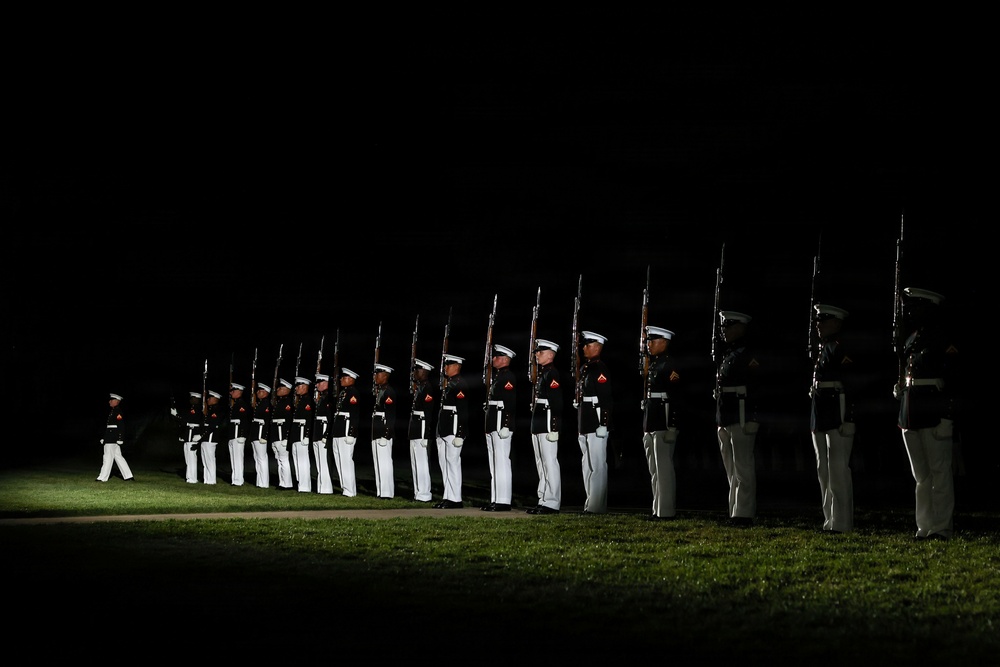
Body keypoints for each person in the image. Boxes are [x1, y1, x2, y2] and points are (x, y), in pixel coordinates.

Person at [894, 287, 960, 541]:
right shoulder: (912, 338)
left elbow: (952, 379)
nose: (911, 311)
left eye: (917, 306)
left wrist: (947, 416)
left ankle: (942, 527)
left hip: (933, 411)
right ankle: (925, 525)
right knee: (921, 475)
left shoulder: (942, 338)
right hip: (911, 411)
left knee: (940, 472)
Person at [810, 304, 857, 533]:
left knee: (838, 470)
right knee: (824, 471)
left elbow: (852, 386)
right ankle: (829, 520)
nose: (819, 324)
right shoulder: (824, 347)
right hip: (822, 411)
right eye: (819, 320)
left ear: (837, 322)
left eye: (824, 320)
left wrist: (849, 418)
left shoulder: (841, 347)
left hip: (836, 412)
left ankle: (842, 522)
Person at [715, 310, 762, 527]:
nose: (724, 331)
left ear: (741, 328)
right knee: (732, 468)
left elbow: (755, 387)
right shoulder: (729, 354)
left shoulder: (747, 354)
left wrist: (753, 417)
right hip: (727, 414)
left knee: (743, 465)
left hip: (742, 414)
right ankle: (735, 510)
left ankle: (744, 513)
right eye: (723, 326)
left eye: (728, 326)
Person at [642, 326, 681, 521]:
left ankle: (666, 511)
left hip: (663, 419)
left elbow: (675, 397)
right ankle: (657, 509)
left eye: (652, 341)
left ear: (664, 342)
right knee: (655, 470)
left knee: (663, 468)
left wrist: (672, 426)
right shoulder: (655, 364)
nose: (649, 344)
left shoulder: (669, 365)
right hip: (652, 419)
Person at [577, 331, 614, 514]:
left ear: (597, 347)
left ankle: (597, 506)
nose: (583, 348)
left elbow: (605, 398)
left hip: (596, 421)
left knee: (597, 465)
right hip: (585, 421)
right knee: (588, 465)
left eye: (588, 344)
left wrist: (603, 424)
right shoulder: (586, 368)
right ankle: (591, 502)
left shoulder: (600, 369)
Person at [527, 338, 563, 515]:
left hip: (547, 421)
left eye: (540, 352)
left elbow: (557, 403)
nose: (536, 355)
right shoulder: (543, 373)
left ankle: (552, 501)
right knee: (541, 463)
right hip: (539, 421)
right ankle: (543, 498)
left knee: (550, 462)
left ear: (550, 354)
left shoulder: (552, 374)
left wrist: (555, 427)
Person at [483, 343, 517, 511]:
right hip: (493, 422)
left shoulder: (508, 377)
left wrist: (505, 424)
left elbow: (510, 403)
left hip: (500, 422)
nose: (493, 359)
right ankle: (496, 498)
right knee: (494, 463)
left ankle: (503, 500)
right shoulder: (498, 376)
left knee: (502, 461)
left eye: (496, 356)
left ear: (504, 359)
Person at [435, 354, 469, 509]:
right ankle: (448, 496)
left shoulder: (460, 384)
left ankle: (455, 498)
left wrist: (460, 433)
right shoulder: (451, 384)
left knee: (453, 463)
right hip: (444, 428)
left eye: (448, 365)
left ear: (457, 366)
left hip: (453, 428)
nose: (445, 368)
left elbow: (463, 411)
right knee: (445, 463)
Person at [407, 359, 436, 502]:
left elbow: (427, 413)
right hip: (416, 429)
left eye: (417, 370)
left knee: (422, 463)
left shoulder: (428, 388)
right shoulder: (420, 388)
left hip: (422, 430)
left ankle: (425, 494)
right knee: (415, 463)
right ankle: (418, 492)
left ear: (424, 371)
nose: (414, 372)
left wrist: (425, 435)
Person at [331, 368, 361, 497]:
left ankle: (350, 490)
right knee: (339, 460)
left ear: (351, 379)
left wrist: (351, 433)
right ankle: (345, 488)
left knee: (346, 461)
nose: (341, 379)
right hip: (339, 430)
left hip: (346, 430)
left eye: (344, 377)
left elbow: (354, 415)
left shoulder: (353, 393)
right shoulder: (344, 392)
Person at [371, 363, 398, 499]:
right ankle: (381, 490)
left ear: (385, 376)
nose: (375, 376)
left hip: (383, 432)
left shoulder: (389, 392)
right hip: (377, 430)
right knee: (378, 462)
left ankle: (387, 492)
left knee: (385, 462)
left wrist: (386, 434)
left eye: (378, 374)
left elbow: (390, 415)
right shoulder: (380, 390)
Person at [96, 392, 135, 482]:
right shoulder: (113, 411)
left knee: (107, 458)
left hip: (112, 439)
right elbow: (110, 427)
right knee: (118, 457)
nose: (109, 402)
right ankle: (128, 476)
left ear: (116, 401)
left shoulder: (117, 412)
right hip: (111, 438)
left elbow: (120, 426)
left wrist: (120, 438)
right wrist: (104, 437)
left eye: (111, 400)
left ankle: (102, 477)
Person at [270, 378, 295, 490]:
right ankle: (282, 482)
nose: (278, 390)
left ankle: (287, 483)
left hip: (282, 434)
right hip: (277, 434)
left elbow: (288, 421)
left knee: (283, 459)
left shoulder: (288, 403)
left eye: (280, 388)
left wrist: (286, 437)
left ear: (287, 389)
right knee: (279, 459)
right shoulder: (279, 402)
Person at [173, 391, 203, 484]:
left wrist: (177, 416)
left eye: (192, 398)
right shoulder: (192, 409)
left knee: (191, 458)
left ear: (196, 399)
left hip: (193, 435)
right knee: (188, 458)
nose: (191, 400)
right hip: (188, 435)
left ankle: (192, 478)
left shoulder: (196, 410)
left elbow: (186, 421)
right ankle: (189, 477)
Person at [291, 377, 314, 493]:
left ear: (305, 387)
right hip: (296, 433)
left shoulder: (308, 400)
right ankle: (301, 483)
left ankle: (305, 486)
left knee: (303, 460)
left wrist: (306, 435)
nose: (296, 388)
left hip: (302, 433)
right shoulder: (301, 400)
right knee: (297, 459)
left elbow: (308, 419)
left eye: (298, 386)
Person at [312, 373, 334, 495]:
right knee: (319, 461)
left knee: (325, 461)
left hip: (323, 431)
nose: (317, 385)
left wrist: (326, 434)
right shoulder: (321, 398)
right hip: (318, 432)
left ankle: (326, 488)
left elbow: (329, 418)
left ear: (326, 383)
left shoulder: (329, 398)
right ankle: (321, 487)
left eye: (320, 382)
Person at [227, 382, 251, 486]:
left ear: (239, 392)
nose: (231, 393)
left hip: (238, 435)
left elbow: (244, 421)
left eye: (233, 391)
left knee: (238, 458)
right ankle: (235, 479)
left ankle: (239, 480)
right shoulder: (236, 404)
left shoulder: (242, 404)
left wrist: (242, 435)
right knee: (233, 458)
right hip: (233, 434)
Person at [200, 389, 225, 485]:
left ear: (215, 399)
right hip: (206, 437)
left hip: (210, 438)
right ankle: (207, 479)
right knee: (205, 459)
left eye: (209, 398)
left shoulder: (216, 410)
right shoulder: (211, 410)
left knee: (209, 459)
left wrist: (203, 436)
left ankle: (211, 480)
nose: (208, 400)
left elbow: (213, 426)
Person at [250, 382, 272, 489]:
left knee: (262, 458)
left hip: (260, 434)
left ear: (266, 392)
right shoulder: (260, 403)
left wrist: (264, 435)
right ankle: (260, 481)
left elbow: (267, 421)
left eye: (260, 391)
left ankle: (264, 482)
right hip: (255, 433)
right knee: (257, 458)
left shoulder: (266, 404)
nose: (257, 393)